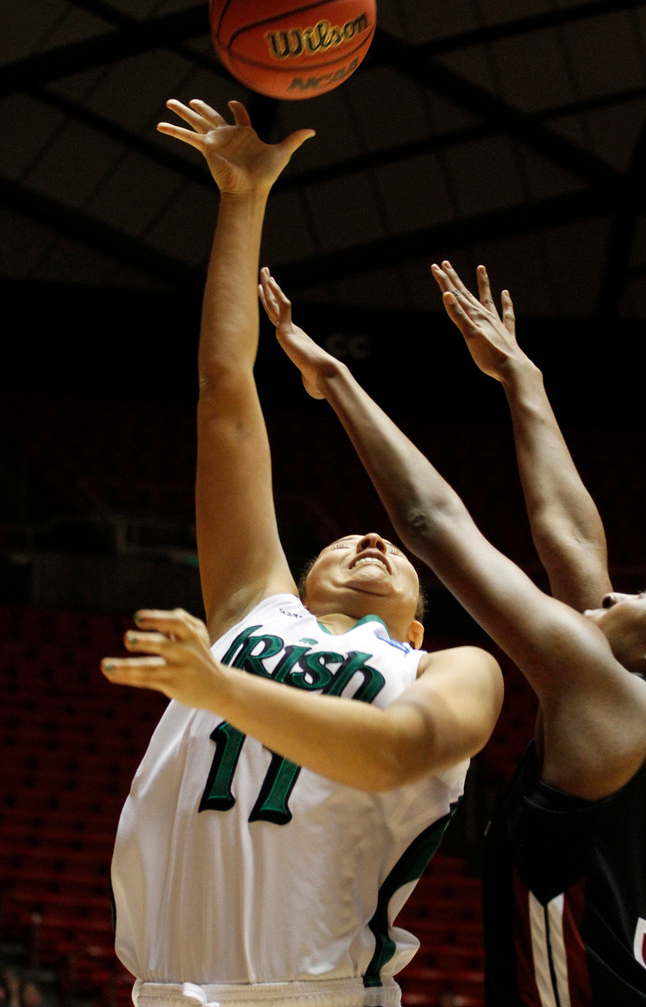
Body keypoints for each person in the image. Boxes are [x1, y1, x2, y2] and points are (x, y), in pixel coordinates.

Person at [101, 99, 503, 1007]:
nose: (372, 537)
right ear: (302, 572)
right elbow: (224, 395)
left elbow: (398, 755)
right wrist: (242, 200)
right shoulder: (254, 607)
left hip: (312, 995)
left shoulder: (455, 668)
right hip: (163, 989)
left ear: (417, 613)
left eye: (391, 549)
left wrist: (218, 690)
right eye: (348, 537)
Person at [237, 263, 646, 1006]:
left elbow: (432, 523)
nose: (614, 592)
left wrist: (334, 380)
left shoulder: (610, 699)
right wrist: (523, 380)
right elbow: (575, 550)